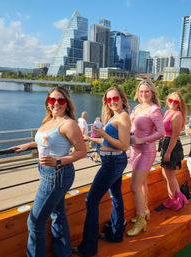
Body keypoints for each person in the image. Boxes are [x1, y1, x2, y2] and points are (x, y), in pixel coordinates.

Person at [11, 87, 87, 257]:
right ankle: (64, 253)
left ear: (67, 103)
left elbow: (82, 151)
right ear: (48, 102)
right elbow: (45, 141)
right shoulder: (48, 121)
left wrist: (57, 161)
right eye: (52, 100)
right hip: (47, 172)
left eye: (61, 100)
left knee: (35, 221)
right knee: (57, 214)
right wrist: (28, 145)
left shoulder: (69, 124)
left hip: (57, 174)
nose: (56, 104)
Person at [73, 86, 131, 257]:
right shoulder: (116, 116)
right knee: (116, 197)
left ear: (122, 98)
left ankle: (88, 247)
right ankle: (115, 234)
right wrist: (91, 138)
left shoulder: (123, 117)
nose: (112, 102)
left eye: (115, 98)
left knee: (91, 201)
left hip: (112, 162)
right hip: (112, 160)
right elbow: (110, 142)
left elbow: (123, 145)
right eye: (108, 99)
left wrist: (103, 134)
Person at [127, 80, 164, 236]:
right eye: (141, 91)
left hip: (146, 151)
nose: (143, 94)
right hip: (134, 150)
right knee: (141, 184)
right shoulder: (137, 107)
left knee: (134, 186)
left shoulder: (154, 110)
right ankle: (145, 210)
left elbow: (161, 132)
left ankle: (141, 219)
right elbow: (131, 126)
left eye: (147, 91)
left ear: (153, 92)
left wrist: (143, 139)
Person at [161, 92, 188, 210]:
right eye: (170, 100)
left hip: (172, 146)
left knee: (170, 176)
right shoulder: (167, 112)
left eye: (175, 101)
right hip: (165, 143)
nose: (172, 103)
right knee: (166, 174)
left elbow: (175, 135)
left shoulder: (177, 115)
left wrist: (168, 152)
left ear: (179, 104)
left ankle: (176, 200)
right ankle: (176, 197)